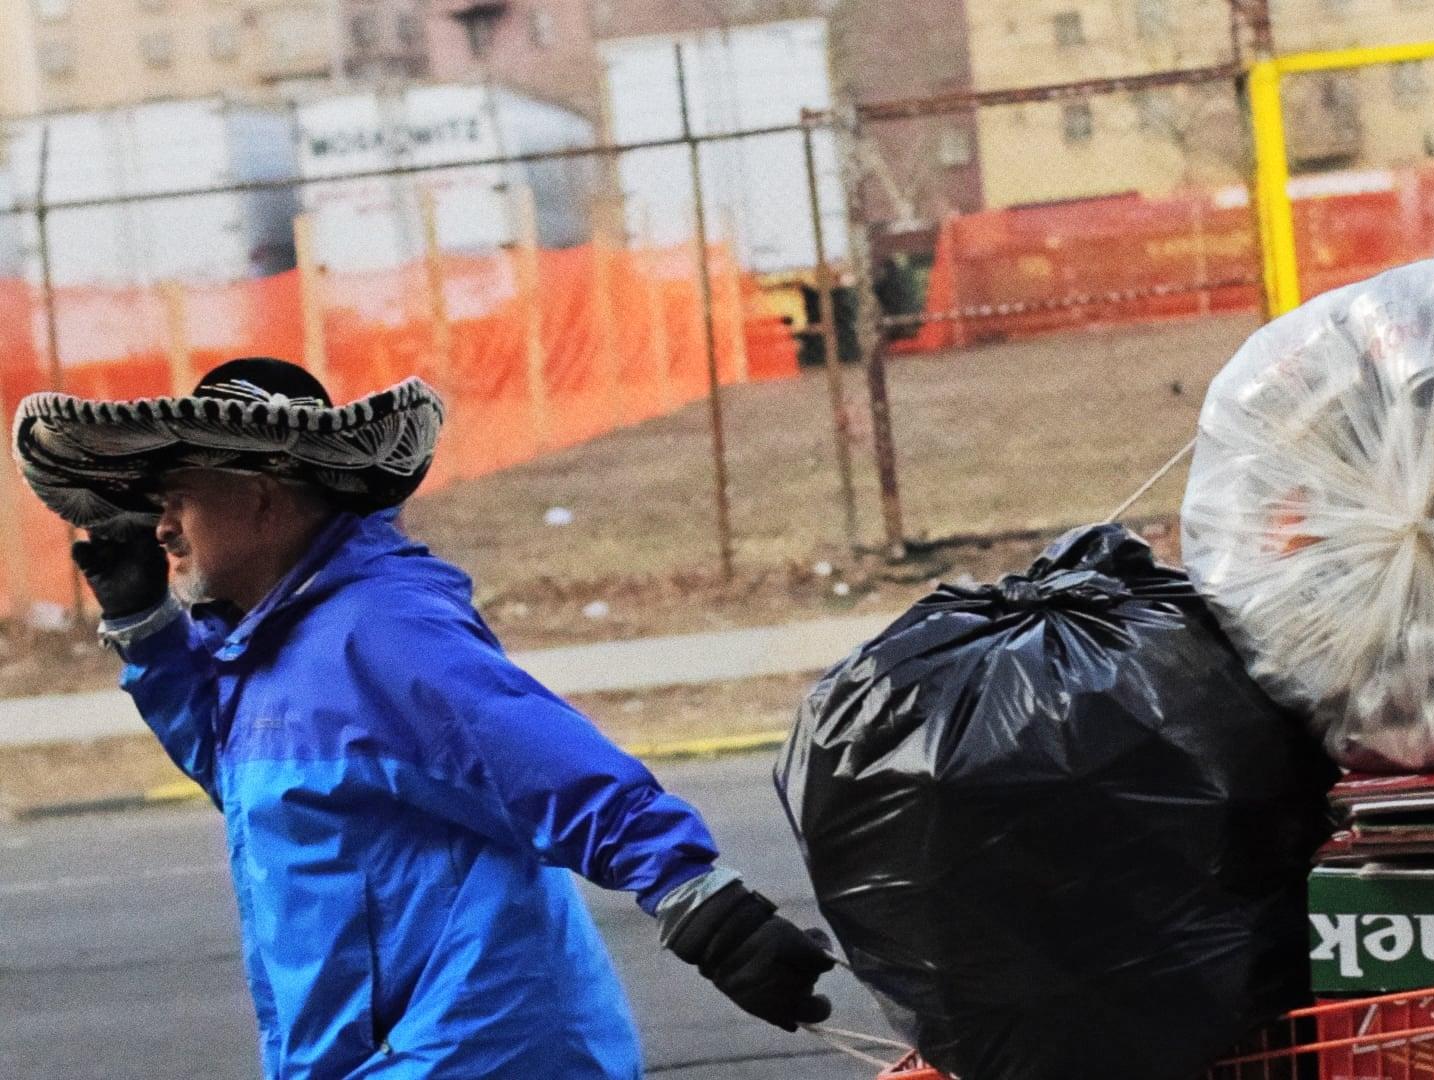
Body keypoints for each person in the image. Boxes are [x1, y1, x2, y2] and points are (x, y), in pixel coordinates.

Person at [10, 358, 834, 1078]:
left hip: (474, 1052)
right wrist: (146, 628)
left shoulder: (381, 631)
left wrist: (704, 904)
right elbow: (241, 775)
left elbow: (542, 761)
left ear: (262, 501)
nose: (159, 526)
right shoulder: (264, 648)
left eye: (180, 498)